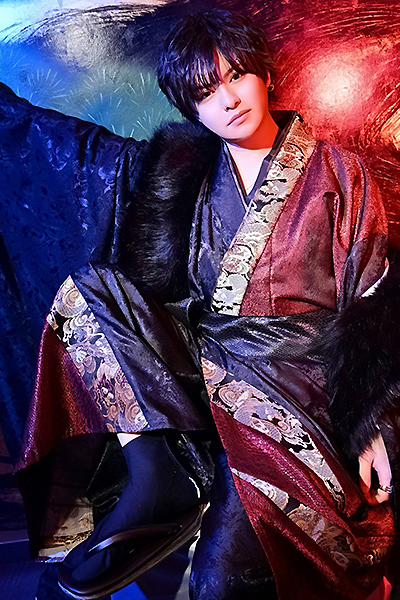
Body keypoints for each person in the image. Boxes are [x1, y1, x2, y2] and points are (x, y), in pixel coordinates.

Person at [4, 8, 399, 600]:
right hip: (203, 364)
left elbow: (372, 300)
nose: (229, 100)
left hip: (299, 386)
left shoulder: (339, 173)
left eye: (237, 76)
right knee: (88, 291)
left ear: (265, 75)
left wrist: (372, 424)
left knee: (222, 578)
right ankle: (160, 475)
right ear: (190, 109)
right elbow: (82, 160)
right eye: (205, 92)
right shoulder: (183, 177)